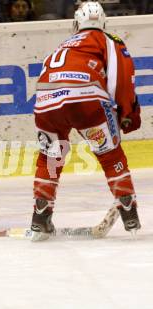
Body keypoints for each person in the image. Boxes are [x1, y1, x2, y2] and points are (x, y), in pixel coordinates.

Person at [30, 1, 141, 240]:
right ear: (102, 22)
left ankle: (40, 214)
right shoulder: (109, 40)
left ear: (76, 23)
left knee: (50, 157)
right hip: (86, 98)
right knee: (110, 155)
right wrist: (128, 114)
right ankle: (128, 210)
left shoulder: (61, 47)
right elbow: (120, 80)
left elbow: (43, 76)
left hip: (46, 101)